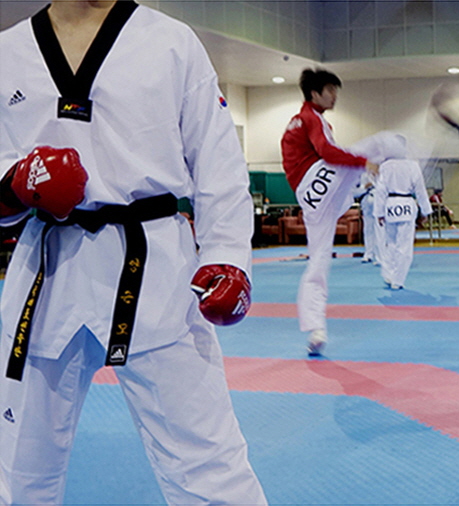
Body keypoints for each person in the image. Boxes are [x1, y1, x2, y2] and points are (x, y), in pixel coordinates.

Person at [0, 1, 267, 504]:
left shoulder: (171, 41)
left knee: (209, 465)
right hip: (46, 271)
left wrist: (228, 256)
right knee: (17, 470)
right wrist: (15, 186)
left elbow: (219, 164)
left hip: (158, 269)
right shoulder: (7, 51)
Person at [281, 68, 379, 356]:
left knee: (319, 260)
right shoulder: (313, 118)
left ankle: (316, 330)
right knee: (380, 144)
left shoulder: (295, 121)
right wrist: (364, 162)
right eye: (330, 90)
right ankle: (367, 183)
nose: (335, 96)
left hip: (309, 198)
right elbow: (327, 151)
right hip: (319, 179)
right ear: (314, 93)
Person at [373, 135, 433, 290]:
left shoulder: (385, 166)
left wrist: (379, 212)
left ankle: (389, 274)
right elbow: (420, 190)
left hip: (390, 204)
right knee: (404, 246)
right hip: (406, 203)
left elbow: (380, 191)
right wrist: (425, 211)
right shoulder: (412, 165)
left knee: (390, 243)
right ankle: (398, 280)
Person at [354, 171, 383, 265]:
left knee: (380, 228)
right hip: (367, 201)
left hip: (380, 200)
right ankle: (368, 253)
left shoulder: (384, 172)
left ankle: (381, 256)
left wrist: (375, 185)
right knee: (368, 229)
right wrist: (365, 187)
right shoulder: (362, 174)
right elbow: (355, 192)